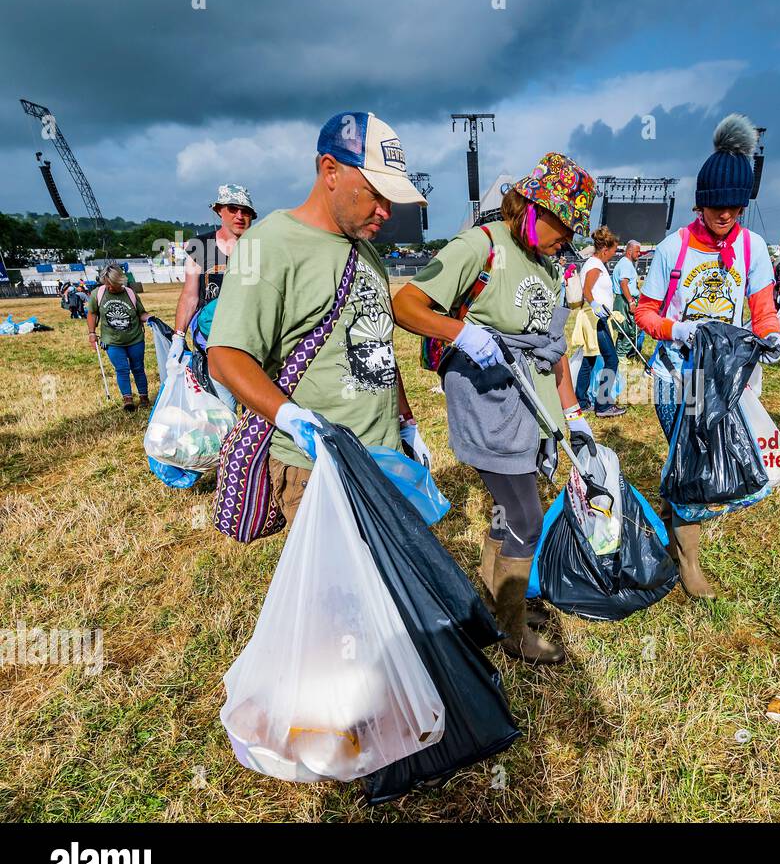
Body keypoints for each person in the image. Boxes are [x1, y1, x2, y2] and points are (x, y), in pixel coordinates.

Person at [392, 151, 595, 664]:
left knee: (513, 508)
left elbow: (555, 352)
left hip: (529, 406)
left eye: (574, 230)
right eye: (562, 223)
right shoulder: (480, 245)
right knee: (526, 516)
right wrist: (462, 333)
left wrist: (573, 417)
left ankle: (498, 590)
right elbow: (407, 305)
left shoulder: (551, 266)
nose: (567, 237)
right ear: (529, 206)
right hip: (485, 401)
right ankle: (513, 630)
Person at [207, 111, 430, 527]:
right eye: (375, 194)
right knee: (339, 591)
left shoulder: (367, 251)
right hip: (317, 468)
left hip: (383, 457)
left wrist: (406, 421)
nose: (386, 211)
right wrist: (290, 417)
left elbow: (377, 342)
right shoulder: (267, 243)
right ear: (330, 170)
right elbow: (225, 355)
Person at [634, 114, 780, 600]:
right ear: (701, 202)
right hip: (676, 375)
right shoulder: (673, 249)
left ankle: (678, 514)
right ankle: (689, 563)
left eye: (736, 206)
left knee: (702, 458)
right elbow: (645, 312)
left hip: (725, 377)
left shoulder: (752, 247)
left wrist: (771, 335)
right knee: (694, 461)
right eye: (717, 206)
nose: (726, 216)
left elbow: (762, 307)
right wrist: (679, 329)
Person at [175, 184, 256, 409]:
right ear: (219, 210)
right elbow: (190, 295)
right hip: (213, 344)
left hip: (250, 344)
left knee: (255, 413)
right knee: (222, 412)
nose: (240, 216)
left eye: (246, 211)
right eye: (233, 209)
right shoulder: (200, 246)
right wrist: (178, 337)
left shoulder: (260, 247)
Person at [572, 225, 626, 418]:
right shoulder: (595, 266)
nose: (614, 254)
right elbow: (587, 290)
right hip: (595, 319)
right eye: (613, 250)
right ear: (605, 250)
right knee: (611, 359)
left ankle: (581, 401)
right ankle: (603, 405)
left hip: (594, 317)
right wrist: (595, 304)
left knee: (589, 359)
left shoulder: (594, 263)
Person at [87, 264, 150, 412]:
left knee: (138, 368)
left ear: (119, 281)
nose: (109, 288)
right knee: (121, 369)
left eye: (111, 285)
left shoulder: (130, 294)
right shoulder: (98, 293)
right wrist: (91, 333)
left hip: (135, 339)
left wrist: (151, 319)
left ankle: (144, 397)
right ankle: (127, 399)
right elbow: (92, 313)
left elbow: (141, 313)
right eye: (106, 284)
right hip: (112, 341)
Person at [612, 240, 643, 361]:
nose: (639, 254)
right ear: (629, 251)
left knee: (623, 331)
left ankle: (617, 356)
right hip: (625, 300)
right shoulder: (625, 264)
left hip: (623, 299)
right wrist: (631, 301)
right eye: (637, 251)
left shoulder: (625, 263)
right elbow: (623, 283)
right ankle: (620, 355)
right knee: (633, 330)